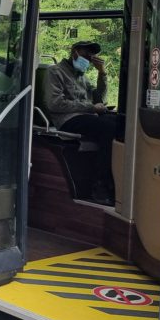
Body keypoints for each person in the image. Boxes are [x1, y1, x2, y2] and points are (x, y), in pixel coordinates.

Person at [43, 40, 119, 205]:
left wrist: (102, 74)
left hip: (86, 115)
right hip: (67, 118)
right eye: (86, 55)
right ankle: (100, 183)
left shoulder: (82, 77)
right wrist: (91, 108)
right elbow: (54, 103)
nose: (89, 59)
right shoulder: (55, 72)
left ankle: (118, 178)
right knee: (108, 129)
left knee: (122, 123)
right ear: (75, 52)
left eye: (91, 57)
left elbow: (101, 99)